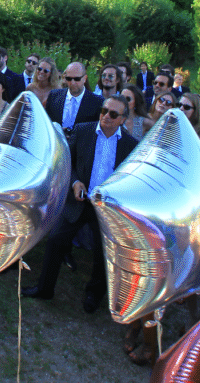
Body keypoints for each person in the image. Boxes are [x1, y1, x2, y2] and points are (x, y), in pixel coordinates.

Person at [22, 95, 138, 313]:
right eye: (104, 111)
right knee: (56, 240)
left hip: (107, 209)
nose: (106, 117)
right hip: (79, 201)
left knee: (103, 254)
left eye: (113, 114)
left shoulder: (130, 145)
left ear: (122, 119)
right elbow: (68, 161)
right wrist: (75, 182)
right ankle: (44, 288)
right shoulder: (83, 130)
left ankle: (93, 295)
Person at [45, 62, 101, 133]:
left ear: (85, 78)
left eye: (77, 79)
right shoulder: (54, 96)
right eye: (69, 78)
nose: (72, 82)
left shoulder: (97, 102)